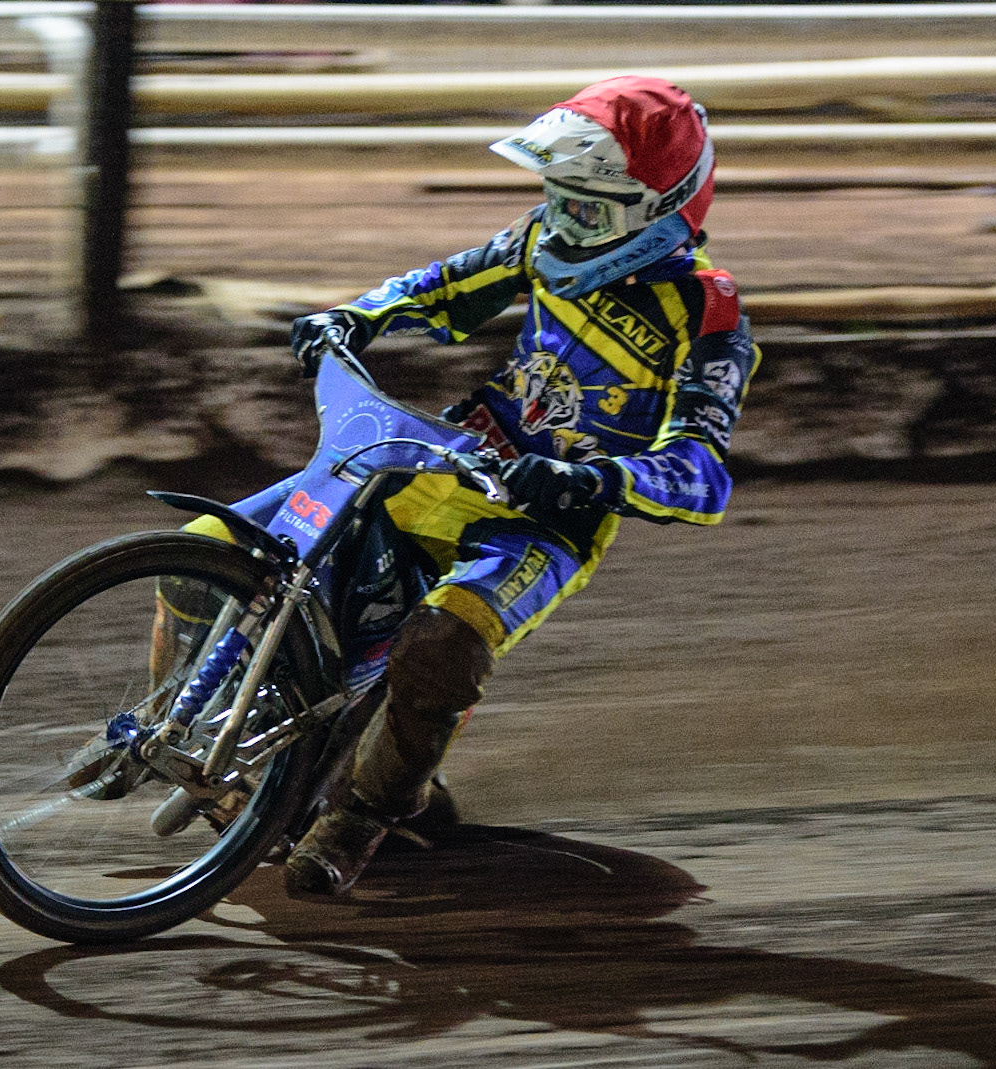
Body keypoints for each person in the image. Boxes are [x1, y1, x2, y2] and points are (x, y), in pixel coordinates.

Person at [197, 75, 761, 895]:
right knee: (214, 546)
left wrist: (589, 477)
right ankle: (178, 724)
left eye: (588, 209)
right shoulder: (540, 240)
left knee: (443, 640)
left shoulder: (705, 312)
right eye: (555, 195)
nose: (563, 221)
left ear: (658, 210)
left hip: (545, 521)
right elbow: (441, 283)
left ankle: (358, 816)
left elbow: (701, 472)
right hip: (451, 457)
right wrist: (354, 315)